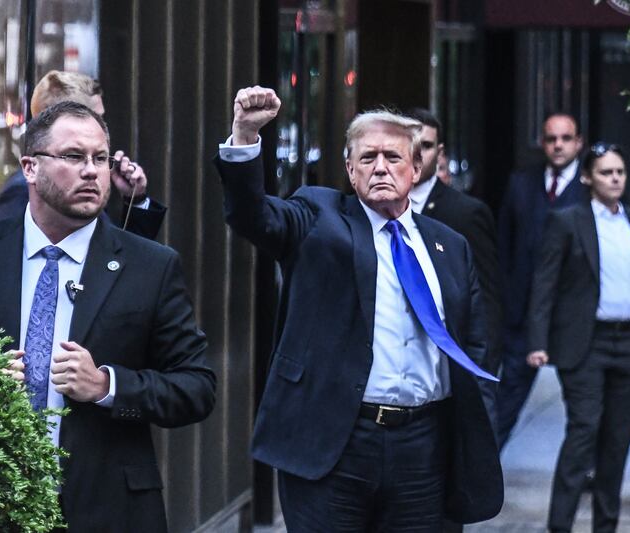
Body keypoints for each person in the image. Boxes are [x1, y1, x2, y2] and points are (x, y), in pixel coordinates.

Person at [214, 86, 503, 530]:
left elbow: (476, 343)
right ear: (350, 170)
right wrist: (245, 136)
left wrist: (475, 421)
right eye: (368, 158)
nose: (381, 167)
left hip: (424, 447)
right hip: (335, 442)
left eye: (393, 157)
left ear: (417, 167)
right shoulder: (318, 215)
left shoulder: (450, 245)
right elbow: (254, 215)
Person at [0, 101, 216, 531]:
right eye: (73, 157)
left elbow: (197, 387)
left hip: (109, 507)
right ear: (30, 168)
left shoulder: (150, 266)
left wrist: (107, 385)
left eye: (100, 158)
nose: (91, 171)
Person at [526, 143, 630, 532]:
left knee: (617, 443)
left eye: (619, 172)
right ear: (587, 177)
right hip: (586, 344)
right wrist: (537, 341)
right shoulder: (567, 220)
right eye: (605, 172)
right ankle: (560, 526)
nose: (615, 178)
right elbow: (544, 284)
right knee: (583, 432)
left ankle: (606, 526)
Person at [496, 112, 587, 447]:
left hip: (571, 316)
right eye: (551, 138)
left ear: (578, 143)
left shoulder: (590, 188)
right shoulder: (521, 183)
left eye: (565, 138)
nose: (558, 145)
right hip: (521, 314)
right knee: (505, 400)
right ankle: (479, 483)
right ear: (542, 143)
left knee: (582, 408)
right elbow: (504, 247)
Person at [0, 70, 167, 240]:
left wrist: (135, 199)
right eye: (95, 118)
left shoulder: (87, 184)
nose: (102, 128)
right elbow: (2, 251)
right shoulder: (23, 190)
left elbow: (123, 259)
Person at [407, 108, 502, 385]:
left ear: (439, 152)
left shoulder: (466, 213)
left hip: (450, 361)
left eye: (425, 145)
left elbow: (487, 298)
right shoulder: (375, 205)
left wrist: (484, 368)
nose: (417, 154)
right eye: (411, 144)